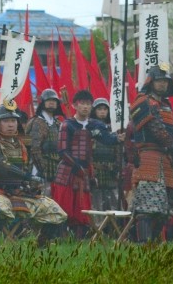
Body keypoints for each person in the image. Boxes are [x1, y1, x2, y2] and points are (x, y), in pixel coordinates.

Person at [0, 99, 66, 247]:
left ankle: (41, 246)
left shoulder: (21, 144)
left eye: (13, 120)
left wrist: (29, 184)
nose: (11, 124)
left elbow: (24, 172)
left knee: (55, 211)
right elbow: (2, 166)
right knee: (0, 209)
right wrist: (28, 176)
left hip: (15, 193)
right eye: (6, 120)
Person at [52, 89, 120, 238]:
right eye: (82, 103)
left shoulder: (94, 125)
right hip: (67, 173)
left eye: (88, 104)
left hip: (84, 173)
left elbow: (107, 139)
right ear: (75, 105)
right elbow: (63, 151)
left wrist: (119, 138)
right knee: (65, 209)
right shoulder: (67, 125)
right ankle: (60, 240)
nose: (85, 107)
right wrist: (77, 167)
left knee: (83, 209)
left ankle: (80, 241)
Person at [129, 66, 173, 243]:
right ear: (151, 81)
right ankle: (144, 246)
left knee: (164, 209)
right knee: (147, 207)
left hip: (166, 159)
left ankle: (155, 247)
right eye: (160, 80)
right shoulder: (143, 101)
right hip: (149, 157)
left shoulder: (166, 106)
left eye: (165, 81)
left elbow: (172, 133)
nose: (163, 84)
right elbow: (155, 128)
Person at [90, 97, 124, 213]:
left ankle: (114, 228)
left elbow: (119, 151)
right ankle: (97, 227)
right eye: (99, 109)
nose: (103, 111)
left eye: (105, 109)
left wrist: (119, 168)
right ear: (94, 111)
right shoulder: (89, 127)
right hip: (96, 169)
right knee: (96, 199)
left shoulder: (114, 129)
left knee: (113, 200)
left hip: (111, 170)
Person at [26, 88, 63, 185]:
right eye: (48, 100)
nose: (52, 102)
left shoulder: (57, 123)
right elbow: (34, 149)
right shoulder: (38, 122)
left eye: (54, 100)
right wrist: (42, 169)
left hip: (56, 168)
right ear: (43, 103)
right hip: (39, 170)